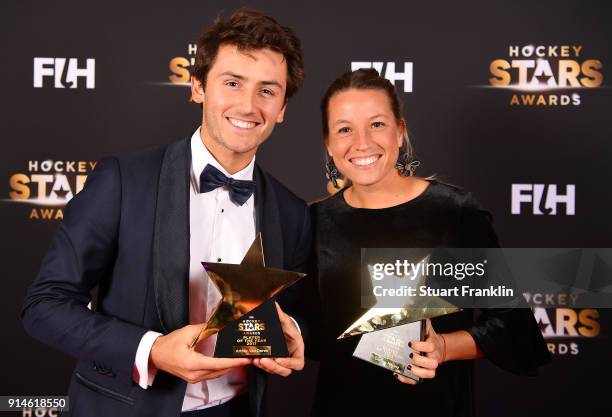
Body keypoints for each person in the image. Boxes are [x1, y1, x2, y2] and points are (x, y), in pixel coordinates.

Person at [22, 9, 312, 417]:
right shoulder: (123, 181)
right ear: (197, 87)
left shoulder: (292, 211)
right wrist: (153, 349)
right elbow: (45, 305)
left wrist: (293, 335)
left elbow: (296, 311)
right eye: (232, 83)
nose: (248, 105)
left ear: (282, 107)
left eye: (268, 90)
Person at [309, 68, 550, 416]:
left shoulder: (453, 212)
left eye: (377, 124)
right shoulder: (315, 220)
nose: (362, 142)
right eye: (345, 129)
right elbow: (312, 334)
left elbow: (512, 325)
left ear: (400, 132)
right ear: (329, 145)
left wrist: (443, 347)